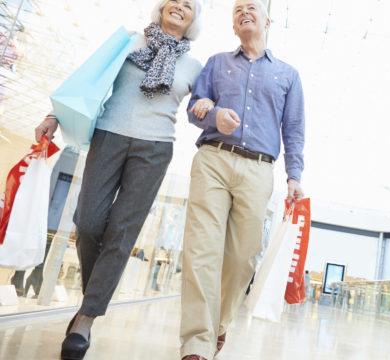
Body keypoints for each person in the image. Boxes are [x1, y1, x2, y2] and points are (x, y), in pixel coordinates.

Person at [34, 1, 203, 358]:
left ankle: (86, 317)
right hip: (109, 135)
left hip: (155, 148)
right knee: (89, 220)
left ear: (193, 19)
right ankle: (94, 295)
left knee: (122, 232)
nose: (180, 6)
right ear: (162, 7)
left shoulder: (194, 65)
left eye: (189, 5)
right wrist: (53, 116)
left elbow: (202, 107)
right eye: (175, 0)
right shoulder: (130, 41)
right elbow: (88, 79)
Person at [178, 0, 305, 359]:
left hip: (259, 169)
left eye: (251, 7)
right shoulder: (217, 63)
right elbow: (195, 108)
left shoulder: (287, 75)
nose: (244, 12)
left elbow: (293, 128)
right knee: (201, 250)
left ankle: (218, 323)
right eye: (237, 10)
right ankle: (196, 343)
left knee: (242, 258)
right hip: (214, 161)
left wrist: (294, 176)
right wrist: (214, 115)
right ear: (234, 25)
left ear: (268, 20)